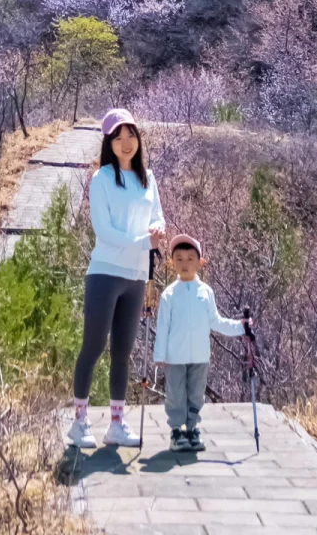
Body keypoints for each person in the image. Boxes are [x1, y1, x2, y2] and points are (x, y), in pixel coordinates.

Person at [67, 108, 165, 449]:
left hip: (136, 275)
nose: (127, 143)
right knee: (93, 347)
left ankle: (117, 425)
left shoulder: (147, 178)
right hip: (106, 272)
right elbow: (104, 231)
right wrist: (143, 242)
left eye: (131, 135)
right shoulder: (102, 178)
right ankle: (79, 422)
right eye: (119, 137)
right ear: (109, 142)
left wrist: (157, 231)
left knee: (122, 352)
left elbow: (158, 217)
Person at [152, 234, 253, 452]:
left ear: (200, 262)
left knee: (196, 394)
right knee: (176, 394)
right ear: (171, 263)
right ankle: (176, 431)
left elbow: (216, 322)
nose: (185, 264)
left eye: (190, 259)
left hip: (200, 356)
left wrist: (241, 327)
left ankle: (192, 429)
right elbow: (163, 326)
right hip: (174, 357)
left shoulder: (206, 292)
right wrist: (159, 355)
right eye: (179, 259)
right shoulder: (169, 294)